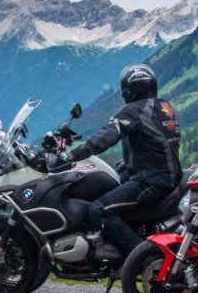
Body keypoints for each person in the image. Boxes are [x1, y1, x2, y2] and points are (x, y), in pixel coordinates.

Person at [63, 64, 181, 262]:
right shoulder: (164, 107)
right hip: (162, 174)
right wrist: (127, 165)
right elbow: (152, 145)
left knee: (98, 210)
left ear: (129, 89)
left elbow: (104, 137)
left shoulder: (133, 111)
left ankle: (140, 259)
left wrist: (71, 155)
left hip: (152, 180)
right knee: (111, 182)